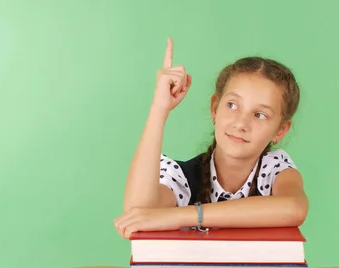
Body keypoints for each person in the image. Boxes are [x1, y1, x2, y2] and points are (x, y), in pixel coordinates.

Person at [114, 38, 308, 239]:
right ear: (215, 108)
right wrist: (159, 108)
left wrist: (185, 216)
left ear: (281, 130)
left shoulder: (274, 170)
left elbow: (294, 208)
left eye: (260, 115)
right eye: (232, 105)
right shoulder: (183, 177)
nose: (241, 123)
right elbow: (137, 213)